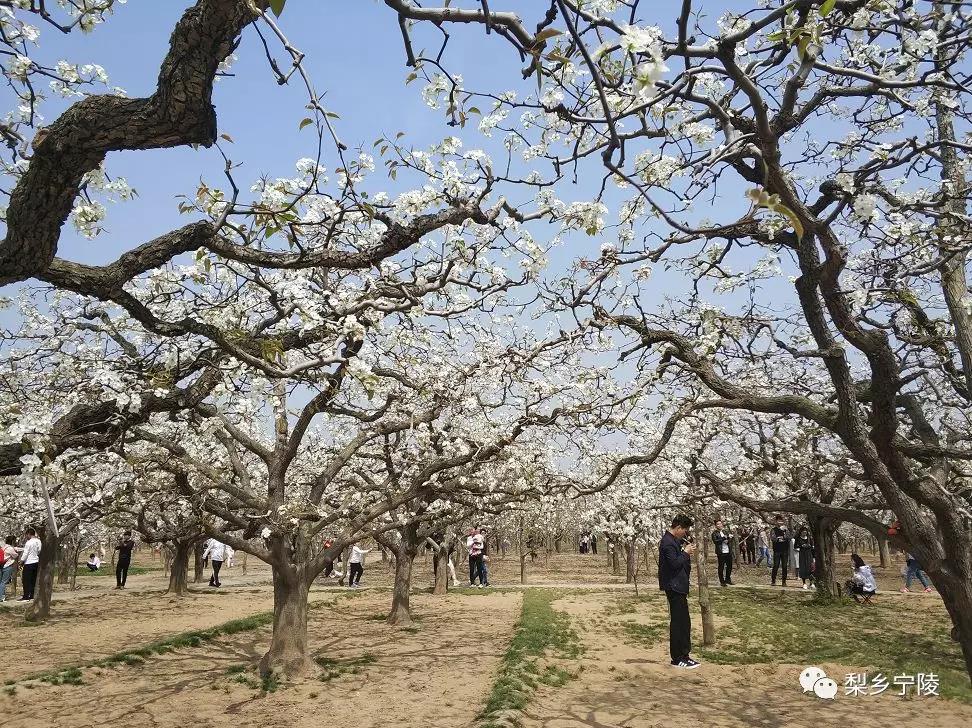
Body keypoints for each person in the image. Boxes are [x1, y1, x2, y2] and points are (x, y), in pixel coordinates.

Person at [658, 514, 700, 669]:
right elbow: (674, 564)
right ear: (678, 528)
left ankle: (685, 655)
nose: (686, 533)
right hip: (673, 587)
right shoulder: (667, 542)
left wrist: (685, 551)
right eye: (685, 530)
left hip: (680, 586)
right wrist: (685, 553)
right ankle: (677, 658)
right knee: (677, 623)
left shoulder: (675, 541)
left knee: (684, 622)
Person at [17, 527, 42, 601]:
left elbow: (25, 553)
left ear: (29, 534)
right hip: (36, 562)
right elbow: (39, 551)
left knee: (26, 580)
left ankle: (26, 597)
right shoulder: (38, 541)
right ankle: (32, 595)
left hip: (29, 563)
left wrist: (21, 561)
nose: (26, 537)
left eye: (26, 535)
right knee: (33, 580)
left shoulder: (29, 542)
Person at [711, 519, 733, 586]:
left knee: (729, 566)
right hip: (721, 552)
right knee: (721, 566)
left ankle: (728, 579)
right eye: (718, 524)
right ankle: (722, 581)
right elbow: (715, 541)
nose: (719, 525)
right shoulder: (714, 533)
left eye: (720, 523)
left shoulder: (725, 531)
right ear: (715, 525)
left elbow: (729, 539)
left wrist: (728, 540)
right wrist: (724, 538)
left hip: (728, 551)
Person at [770, 516, 789, 586]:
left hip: (785, 550)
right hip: (777, 550)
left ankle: (784, 581)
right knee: (776, 565)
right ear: (776, 522)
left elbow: (788, 537)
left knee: (784, 566)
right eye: (778, 521)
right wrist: (778, 539)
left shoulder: (785, 529)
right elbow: (773, 538)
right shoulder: (773, 530)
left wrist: (783, 536)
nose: (780, 522)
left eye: (781, 521)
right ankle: (773, 580)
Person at [0, 534, 17, 602]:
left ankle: (1, 596)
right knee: (4, 582)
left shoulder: (3, 547)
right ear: (12, 541)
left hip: (1, 565)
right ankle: (1, 597)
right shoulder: (10, 548)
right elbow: (15, 556)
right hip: (7, 566)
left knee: (1, 582)